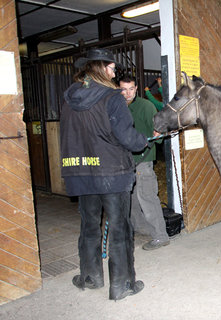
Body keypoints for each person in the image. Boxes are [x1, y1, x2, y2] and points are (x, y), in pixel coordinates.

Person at [60, 48, 149, 301]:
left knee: (89, 226)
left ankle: (90, 277)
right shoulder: (113, 97)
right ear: (99, 67)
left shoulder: (68, 99)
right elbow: (126, 136)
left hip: (81, 172)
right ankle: (122, 285)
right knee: (120, 228)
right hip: (112, 173)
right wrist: (142, 140)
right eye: (111, 68)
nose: (114, 73)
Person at [119, 75, 171, 251]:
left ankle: (160, 235)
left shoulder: (146, 106)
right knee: (131, 198)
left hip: (143, 160)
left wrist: (157, 134)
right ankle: (138, 227)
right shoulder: (116, 107)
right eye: (123, 89)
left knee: (147, 196)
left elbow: (159, 132)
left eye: (131, 89)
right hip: (124, 161)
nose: (127, 93)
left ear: (136, 88)